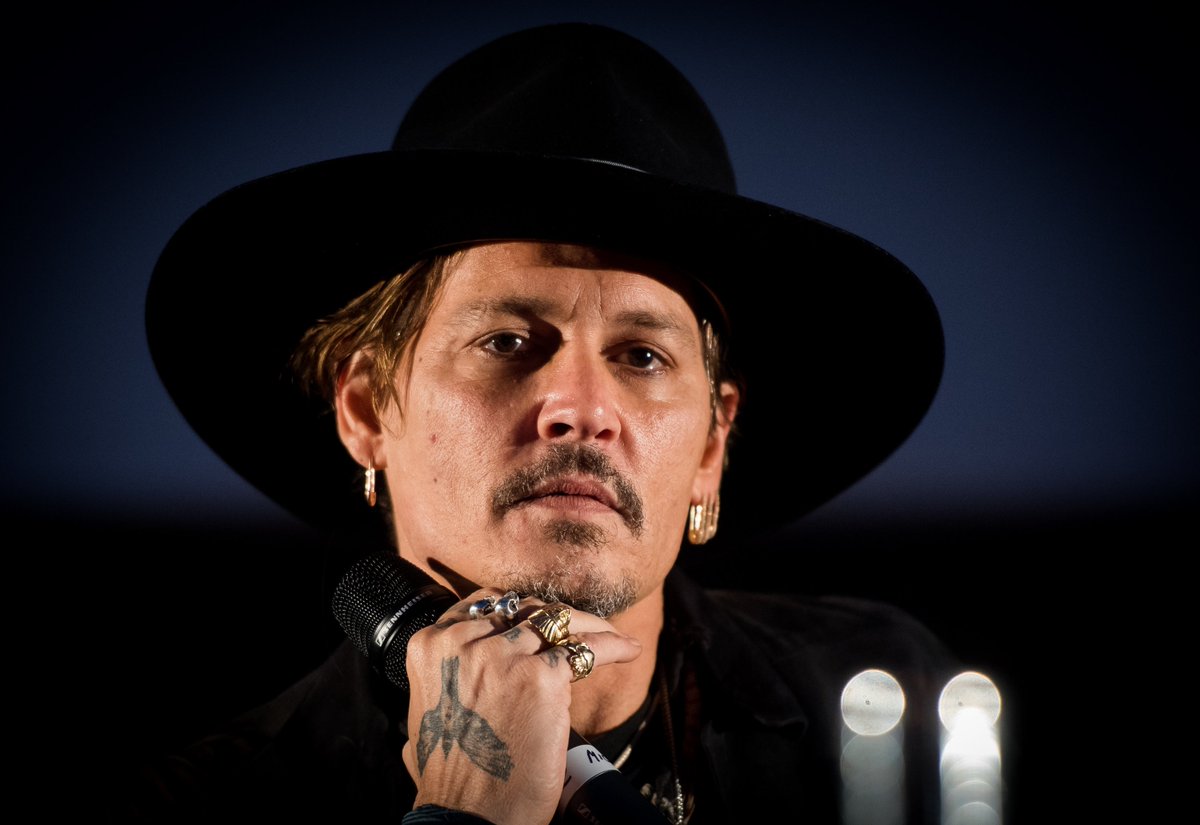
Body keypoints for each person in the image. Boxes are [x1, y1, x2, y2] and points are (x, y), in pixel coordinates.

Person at [135, 22, 957, 825]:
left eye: (642, 356)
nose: (582, 409)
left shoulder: (885, 701)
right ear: (366, 409)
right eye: (506, 342)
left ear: (712, 445)